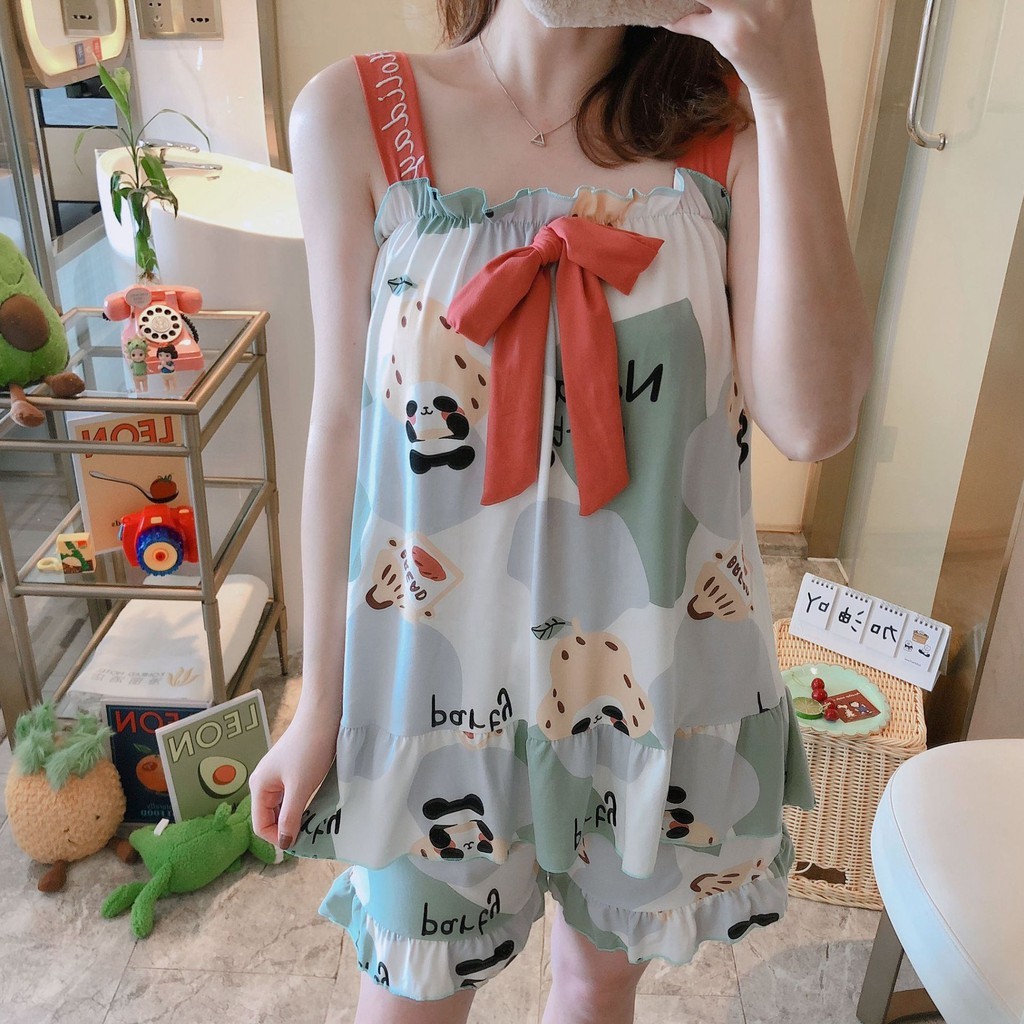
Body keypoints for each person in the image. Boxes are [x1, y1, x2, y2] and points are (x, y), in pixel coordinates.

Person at [249, 1, 873, 1021]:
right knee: (405, 997)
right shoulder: (356, 116)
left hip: (650, 690)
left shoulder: (728, 134)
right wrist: (320, 704)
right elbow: (341, 426)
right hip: (429, 694)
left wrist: (790, 83)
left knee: (594, 991)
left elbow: (813, 420)